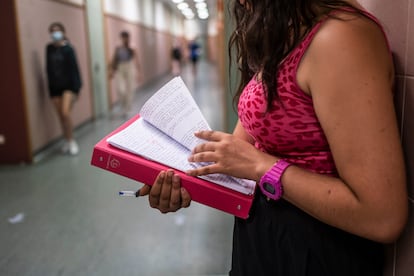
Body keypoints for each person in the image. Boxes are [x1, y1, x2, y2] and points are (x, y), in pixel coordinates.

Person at [138, 0, 409, 275]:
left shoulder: (340, 38)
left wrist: (263, 167)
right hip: (262, 239)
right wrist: (179, 181)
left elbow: (382, 216)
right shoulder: (285, 35)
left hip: (318, 251)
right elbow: (237, 157)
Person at [46, 22, 82, 156]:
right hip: (55, 87)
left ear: (62, 32)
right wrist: (49, 89)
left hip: (68, 87)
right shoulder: (49, 48)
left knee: (65, 113)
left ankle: (72, 140)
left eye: (57, 31)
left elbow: (74, 69)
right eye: (52, 31)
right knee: (61, 116)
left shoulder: (68, 49)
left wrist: (77, 88)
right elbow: (48, 69)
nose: (55, 33)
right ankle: (66, 140)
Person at [109, 31, 141, 118]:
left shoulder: (132, 46)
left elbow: (137, 60)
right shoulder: (118, 47)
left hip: (129, 66)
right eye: (123, 37)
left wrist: (139, 73)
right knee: (120, 89)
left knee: (130, 88)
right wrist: (111, 70)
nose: (124, 39)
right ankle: (123, 105)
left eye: (126, 37)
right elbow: (114, 59)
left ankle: (127, 108)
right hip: (120, 67)